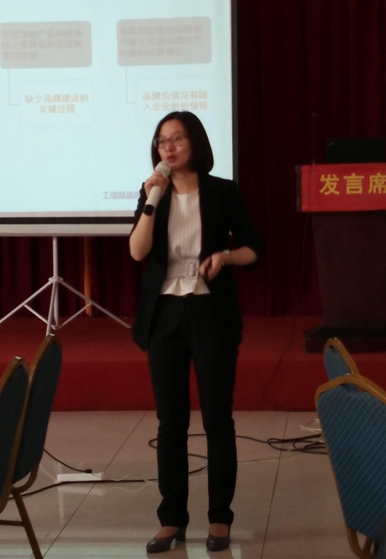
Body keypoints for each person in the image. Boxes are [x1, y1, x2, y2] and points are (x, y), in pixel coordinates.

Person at [129, 111, 262, 553]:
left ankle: (220, 517)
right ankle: (171, 519)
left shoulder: (222, 191)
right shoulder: (152, 193)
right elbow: (137, 251)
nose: (168, 147)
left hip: (210, 311)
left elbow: (254, 247)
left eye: (177, 138)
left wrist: (226, 256)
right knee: (171, 422)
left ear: (196, 143)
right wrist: (151, 198)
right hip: (164, 312)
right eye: (161, 141)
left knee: (217, 419)